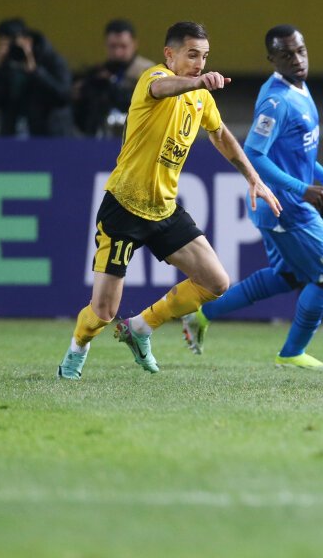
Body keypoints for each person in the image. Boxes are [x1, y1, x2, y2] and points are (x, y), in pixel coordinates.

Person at [56, 21, 280, 380]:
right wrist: (198, 83)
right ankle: (77, 348)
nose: (199, 64)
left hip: (164, 210)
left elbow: (221, 135)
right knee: (103, 312)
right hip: (124, 207)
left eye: (204, 57)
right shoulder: (153, 78)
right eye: (192, 55)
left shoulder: (201, 98)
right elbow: (163, 88)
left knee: (216, 282)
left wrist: (254, 178)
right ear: (169, 54)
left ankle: (141, 327)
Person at [180, 25, 323, 369]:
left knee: (287, 276)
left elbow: (298, 152)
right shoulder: (277, 102)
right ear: (272, 59)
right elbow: (255, 155)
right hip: (283, 206)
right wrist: (301, 188)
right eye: (286, 55)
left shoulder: (298, 88)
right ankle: (291, 354)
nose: (297, 59)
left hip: (282, 204)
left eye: (300, 51)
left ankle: (202, 314)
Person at [0, 18, 75, 137]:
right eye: (2, 44)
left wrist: (36, 72)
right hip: (12, 135)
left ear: (27, 40)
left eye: (10, 44)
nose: (8, 49)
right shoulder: (4, 65)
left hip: (49, 136)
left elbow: (63, 96)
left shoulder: (52, 60)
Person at [72, 19, 154, 138]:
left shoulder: (149, 72)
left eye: (123, 46)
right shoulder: (99, 73)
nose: (118, 53)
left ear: (134, 44)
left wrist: (115, 87)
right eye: (113, 46)